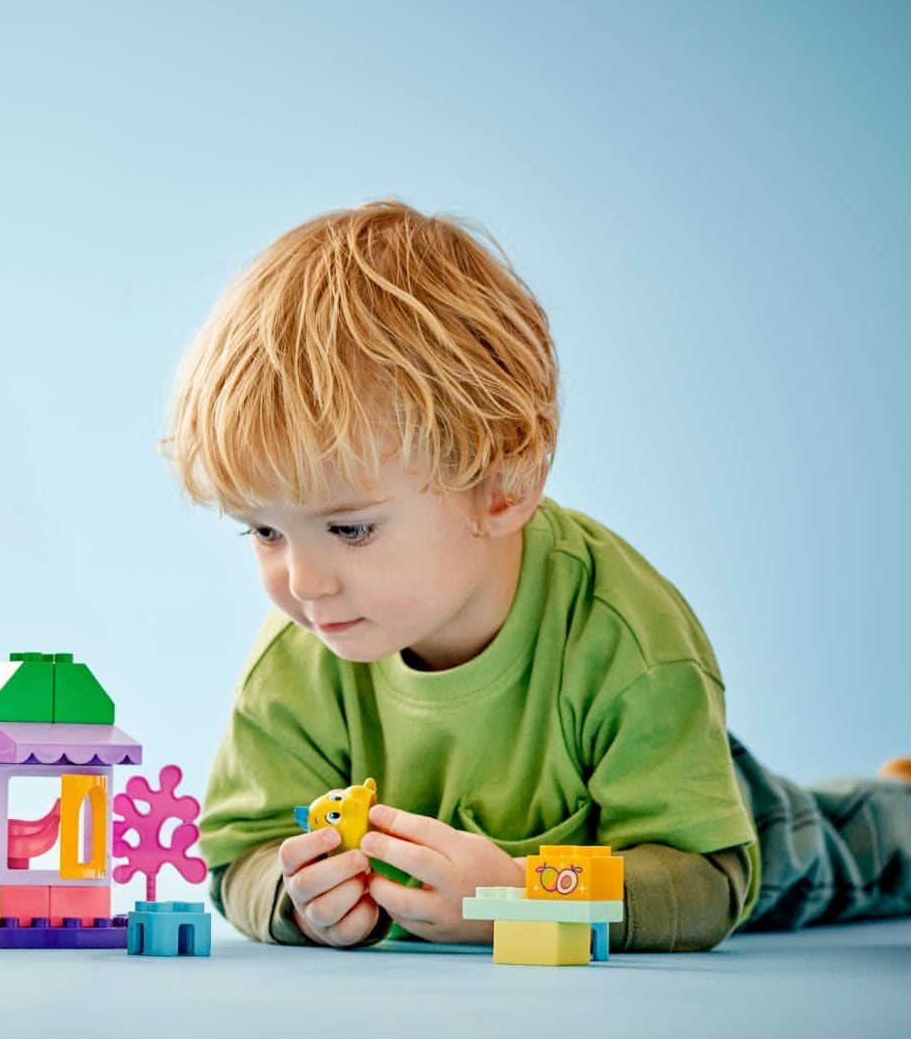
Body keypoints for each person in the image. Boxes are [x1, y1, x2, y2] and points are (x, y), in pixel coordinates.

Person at [164, 201, 911, 951]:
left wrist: (517, 902)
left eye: (351, 529)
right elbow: (240, 851)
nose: (304, 582)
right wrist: (295, 899)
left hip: (742, 839)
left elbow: (704, 878)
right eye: (264, 531)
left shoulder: (624, 640)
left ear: (502, 488)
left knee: (872, 845)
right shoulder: (299, 656)